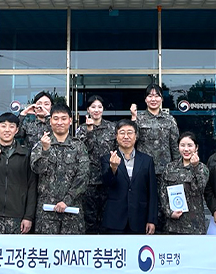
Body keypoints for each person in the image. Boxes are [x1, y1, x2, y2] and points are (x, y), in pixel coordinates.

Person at [31, 103, 90, 234]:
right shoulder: (40, 145)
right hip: (46, 213)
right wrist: (45, 150)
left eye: (64, 118)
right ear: (50, 120)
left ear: (70, 120)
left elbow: (84, 176)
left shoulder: (78, 146)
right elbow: (37, 169)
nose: (60, 122)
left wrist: (67, 200)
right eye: (56, 118)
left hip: (72, 211)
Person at [0, 112, 37, 234]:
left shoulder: (26, 154)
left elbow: (32, 187)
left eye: (11, 126)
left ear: (16, 130)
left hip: (17, 217)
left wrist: (28, 217)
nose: (7, 130)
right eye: (3, 126)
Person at [131, 83, 179, 228]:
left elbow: (174, 146)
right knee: (144, 204)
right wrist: (133, 118)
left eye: (157, 96)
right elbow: (132, 141)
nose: (153, 99)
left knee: (165, 205)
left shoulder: (169, 119)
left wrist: (177, 168)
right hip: (143, 171)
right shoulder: (138, 118)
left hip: (165, 171)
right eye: (150, 96)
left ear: (161, 99)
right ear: (145, 99)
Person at [100, 120, 157, 235]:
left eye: (130, 132)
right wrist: (113, 168)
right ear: (116, 136)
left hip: (139, 218)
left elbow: (152, 192)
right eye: (122, 133)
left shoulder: (147, 160)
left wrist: (151, 219)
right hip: (115, 220)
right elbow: (107, 184)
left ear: (135, 136)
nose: (126, 136)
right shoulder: (107, 159)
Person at [76, 94, 117, 234]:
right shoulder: (81, 129)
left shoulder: (112, 128)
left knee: (107, 217)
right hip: (89, 180)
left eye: (99, 107)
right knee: (89, 218)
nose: (96, 110)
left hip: (108, 178)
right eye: (93, 107)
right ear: (88, 109)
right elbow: (81, 150)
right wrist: (89, 131)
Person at [159, 131, 210, 235]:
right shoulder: (170, 167)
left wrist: (194, 167)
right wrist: (169, 212)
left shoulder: (202, 168)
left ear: (196, 148)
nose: (186, 149)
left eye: (190, 145)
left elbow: (200, 188)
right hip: (173, 226)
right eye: (182, 145)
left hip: (194, 226)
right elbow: (162, 194)